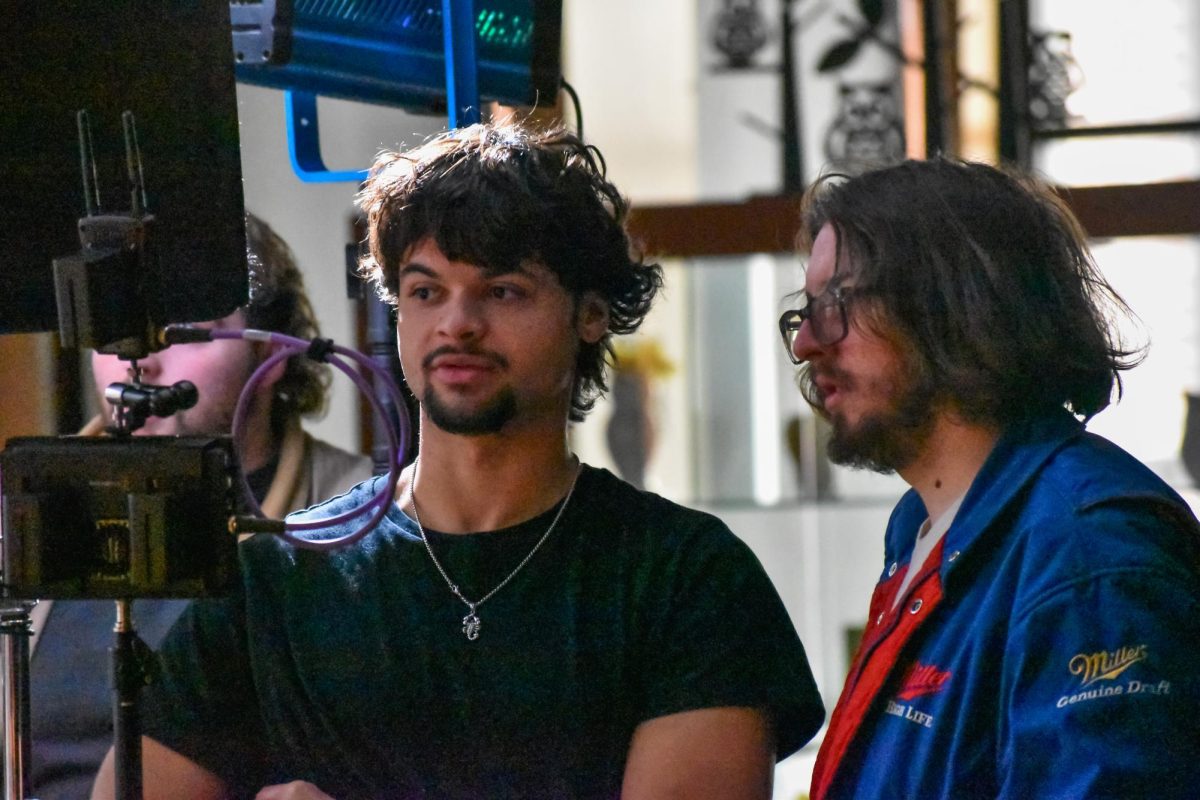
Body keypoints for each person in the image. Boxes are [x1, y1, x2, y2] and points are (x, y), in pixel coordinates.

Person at [91, 122, 825, 800]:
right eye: (425, 291)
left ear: (591, 314)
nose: (458, 323)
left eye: (503, 291)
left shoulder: (685, 579)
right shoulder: (279, 579)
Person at [779, 158, 1200, 799]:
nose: (808, 341)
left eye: (834, 304)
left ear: (951, 304)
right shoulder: (921, 532)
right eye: (804, 312)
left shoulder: (1089, 553)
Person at [31, 213, 372, 800]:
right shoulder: (28, 505)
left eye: (184, 331)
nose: (142, 362)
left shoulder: (364, 517)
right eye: (115, 330)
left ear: (271, 354)